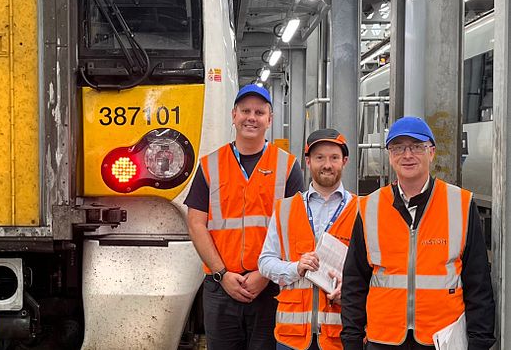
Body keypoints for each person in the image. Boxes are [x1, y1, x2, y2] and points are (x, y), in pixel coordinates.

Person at [340, 116, 496, 350]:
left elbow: (478, 283)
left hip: (441, 339)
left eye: (416, 147)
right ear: (390, 155)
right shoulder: (369, 207)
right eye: (398, 147)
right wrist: (352, 340)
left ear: (431, 152)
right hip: (384, 340)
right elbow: (355, 281)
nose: (407, 155)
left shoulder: (460, 204)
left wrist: (479, 342)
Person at [185, 84, 305, 349]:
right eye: (245, 111)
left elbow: (298, 228)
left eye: (259, 112)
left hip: (271, 287)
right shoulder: (210, 165)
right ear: (233, 115)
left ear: (269, 119)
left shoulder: (287, 166)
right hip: (220, 287)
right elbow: (195, 224)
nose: (252, 117)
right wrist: (222, 274)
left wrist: (264, 275)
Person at [259, 128, 358, 350]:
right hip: (291, 337)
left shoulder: (361, 210)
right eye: (319, 157)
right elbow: (265, 262)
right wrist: (296, 268)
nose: (327, 165)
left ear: (345, 161)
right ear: (307, 161)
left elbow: (371, 271)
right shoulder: (285, 209)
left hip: (340, 335)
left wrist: (349, 288)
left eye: (334, 158)